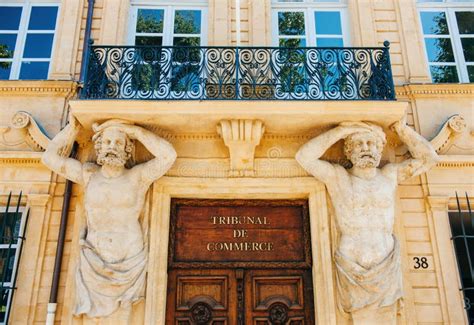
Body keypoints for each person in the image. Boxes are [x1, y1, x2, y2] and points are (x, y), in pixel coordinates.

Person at [295, 116, 438, 324]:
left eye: (371, 143)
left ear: (380, 150)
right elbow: (303, 157)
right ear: (348, 150)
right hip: (353, 267)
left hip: (386, 264)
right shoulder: (339, 178)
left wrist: (401, 128)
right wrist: (342, 131)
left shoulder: (389, 175)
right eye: (359, 143)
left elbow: (429, 159)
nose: (366, 148)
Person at [42, 117, 177, 320]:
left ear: (127, 149)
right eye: (107, 142)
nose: (112, 147)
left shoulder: (137, 177)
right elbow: (49, 158)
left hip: (130, 260)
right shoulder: (88, 175)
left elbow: (168, 156)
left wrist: (133, 131)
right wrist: (72, 129)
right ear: (99, 146)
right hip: (94, 258)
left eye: (118, 142)